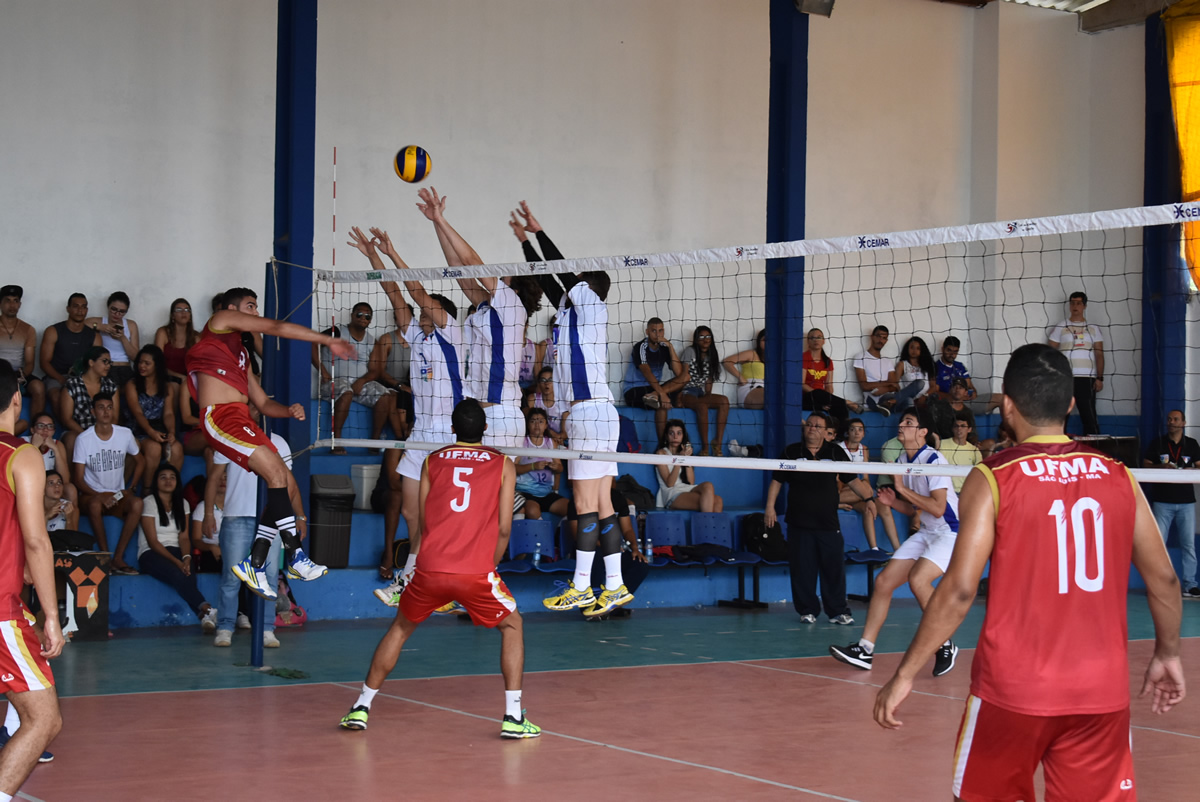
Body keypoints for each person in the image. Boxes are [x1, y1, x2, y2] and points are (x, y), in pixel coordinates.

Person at [873, 343, 1185, 802]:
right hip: (1100, 692)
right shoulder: (1118, 475)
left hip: (1012, 691)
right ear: (1073, 404)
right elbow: (1164, 580)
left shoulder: (993, 476)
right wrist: (1167, 652)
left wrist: (905, 674)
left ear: (1008, 404)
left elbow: (959, 591)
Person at [338, 399, 539, 739]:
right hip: (475, 570)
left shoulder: (432, 460)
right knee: (513, 626)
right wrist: (489, 566)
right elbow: (505, 528)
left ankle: (361, 707)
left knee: (400, 629)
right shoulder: (502, 463)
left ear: (452, 428)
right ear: (486, 430)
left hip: (430, 566)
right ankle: (513, 717)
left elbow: (425, 520)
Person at [187, 287, 347, 599]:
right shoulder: (219, 321)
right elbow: (274, 328)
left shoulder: (242, 355)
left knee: (284, 480)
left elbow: (261, 401)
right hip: (219, 417)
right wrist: (325, 340)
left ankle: (255, 563)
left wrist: (287, 411)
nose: (255, 312)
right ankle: (296, 557)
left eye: (257, 306)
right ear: (232, 308)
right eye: (250, 306)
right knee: (276, 474)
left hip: (243, 418)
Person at [513, 202, 630, 618]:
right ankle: (614, 585)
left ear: (586, 285)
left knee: (584, 504)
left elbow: (560, 271)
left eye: (577, 280)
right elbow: (547, 279)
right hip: (596, 413)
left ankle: (582, 585)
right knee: (603, 505)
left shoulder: (592, 303)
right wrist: (526, 243)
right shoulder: (569, 313)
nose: (570, 284)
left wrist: (542, 233)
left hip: (590, 413)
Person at [350, 219, 464, 604]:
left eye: (428, 308)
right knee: (414, 516)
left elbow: (413, 291)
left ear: (441, 313)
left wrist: (393, 250)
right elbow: (397, 295)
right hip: (419, 434)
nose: (420, 311)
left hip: (447, 437)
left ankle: (413, 583)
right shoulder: (418, 335)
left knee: (437, 519)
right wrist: (372, 255)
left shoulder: (451, 333)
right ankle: (418, 581)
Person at [830, 408, 961, 676]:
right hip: (927, 530)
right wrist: (895, 503)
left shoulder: (934, 461)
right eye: (902, 421)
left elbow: (937, 508)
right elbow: (916, 511)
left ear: (923, 432)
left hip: (950, 532)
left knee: (918, 580)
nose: (901, 425)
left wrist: (901, 489)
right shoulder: (903, 458)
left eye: (909, 422)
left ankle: (945, 643)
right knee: (883, 582)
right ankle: (865, 650)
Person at [421, 189, 543, 453]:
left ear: (516, 289)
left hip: (502, 414)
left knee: (499, 490)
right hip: (481, 412)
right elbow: (462, 272)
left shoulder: (512, 304)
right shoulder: (489, 307)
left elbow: (473, 262)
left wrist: (443, 220)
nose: (500, 277)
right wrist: (435, 222)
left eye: (506, 276)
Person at [0, 361, 64, 798]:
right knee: (44, 718)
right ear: (17, 400)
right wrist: (53, 614)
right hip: (0, 609)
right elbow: (38, 541)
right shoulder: (20, 454)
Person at [203, 403, 303, 648]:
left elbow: (289, 482)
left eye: (256, 407)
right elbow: (214, 477)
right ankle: (225, 626)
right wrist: (208, 513)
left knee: (269, 577)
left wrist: (299, 516)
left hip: (270, 518)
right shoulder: (228, 436)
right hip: (236, 516)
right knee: (231, 576)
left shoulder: (278, 443)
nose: (252, 411)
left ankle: (267, 629)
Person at [765, 411, 873, 624]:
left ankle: (837, 611)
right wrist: (770, 507)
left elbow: (852, 480)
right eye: (810, 425)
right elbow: (777, 481)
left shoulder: (835, 452)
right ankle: (807, 610)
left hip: (828, 524)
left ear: (826, 432)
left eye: (817, 426)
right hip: (798, 523)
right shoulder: (791, 451)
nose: (812, 428)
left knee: (833, 569)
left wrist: (870, 499)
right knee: (802, 570)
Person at [138, 464, 217, 633]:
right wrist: (177, 562)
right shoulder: (149, 502)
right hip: (150, 554)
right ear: (156, 481)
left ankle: (205, 616)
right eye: (163, 477)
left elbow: (183, 537)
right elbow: (153, 542)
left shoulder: (183, 503)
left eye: (172, 477)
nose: (168, 481)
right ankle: (208, 609)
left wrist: (186, 557)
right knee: (177, 573)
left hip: (176, 550)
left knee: (189, 574)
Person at [71, 392, 142, 574]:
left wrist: (131, 488)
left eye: (109, 407)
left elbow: (141, 460)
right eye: (101, 408)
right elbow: (78, 479)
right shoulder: (84, 439)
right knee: (95, 505)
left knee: (137, 503)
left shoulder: (124, 434)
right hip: (91, 495)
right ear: (93, 411)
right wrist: (99, 495)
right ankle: (105, 556)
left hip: (117, 494)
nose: (106, 412)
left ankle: (118, 557)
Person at [313, 301, 396, 451]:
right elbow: (312, 342)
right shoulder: (337, 331)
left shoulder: (372, 341)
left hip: (359, 383)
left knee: (385, 395)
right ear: (352, 315)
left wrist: (362, 381)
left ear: (370, 320)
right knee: (346, 391)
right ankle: (336, 441)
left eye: (367, 316)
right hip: (334, 382)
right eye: (359, 314)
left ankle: (374, 442)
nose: (363, 318)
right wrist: (323, 371)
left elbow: (375, 370)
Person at [1143, 409, 1200, 598]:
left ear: (1183, 423)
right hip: (1162, 502)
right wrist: (1162, 467)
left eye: (1176, 419)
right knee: (1158, 545)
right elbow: (1145, 465)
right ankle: (1156, 584)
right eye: (1169, 419)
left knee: (1188, 545)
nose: (1171, 422)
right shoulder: (1158, 442)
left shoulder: (1191, 444)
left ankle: (1190, 585)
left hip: (1186, 502)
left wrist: (1191, 468)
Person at [1048, 290, 1104, 435]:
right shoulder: (1061, 326)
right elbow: (1049, 352)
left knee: (1089, 416)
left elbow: (1099, 353)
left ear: (1084, 306)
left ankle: (1094, 450)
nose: (1075, 306)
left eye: (1078, 303)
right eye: (1072, 303)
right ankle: (1058, 451)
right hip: (1065, 378)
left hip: (1087, 378)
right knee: (1061, 416)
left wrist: (1099, 378)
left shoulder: (1093, 328)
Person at [622, 317, 687, 439]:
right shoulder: (640, 347)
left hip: (654, 390)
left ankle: (654, 395)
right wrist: (662, 393)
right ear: (647, 332)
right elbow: (647, 372)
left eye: (661, 331)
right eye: (654, 331)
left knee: (685, 377)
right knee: (662, 403)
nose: (658, 334)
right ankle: (663, 446)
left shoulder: (664, 348)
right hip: (634, 390)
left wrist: (671, 347)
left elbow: (679, 373)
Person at [839, 418, 898, 552]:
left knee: (880, 507)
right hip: (844, 491)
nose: (856, 433)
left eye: (860, 430)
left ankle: (894, 549)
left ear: (864, 433)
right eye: (853, 429)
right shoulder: (839, 448)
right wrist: (862, 489)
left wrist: (864, 489)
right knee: (868, 494)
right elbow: (838, 481)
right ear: (847, 432)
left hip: (859, 493)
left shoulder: (864, 449)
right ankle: (874, 549)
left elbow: (865, 477)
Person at [40, 292, 100, 416]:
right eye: (76, 306)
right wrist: (61, 379)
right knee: (57, 396)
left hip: (82, 378)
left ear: (87, 310)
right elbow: (44, 363)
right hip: (56, 377)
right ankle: (65, 430)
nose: (80, 310)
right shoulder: (53, 331)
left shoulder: (94, 336)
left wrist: (85, 381)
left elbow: (98, 364)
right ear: (68, 309)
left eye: (83, 307)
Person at [123, 345, 181, 472]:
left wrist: (171, 432)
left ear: (157, 366)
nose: (141, 366)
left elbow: (168, 414)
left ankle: (170, 488)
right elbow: (138, 413)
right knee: (154, 448)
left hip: (159, 429)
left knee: (176, 448)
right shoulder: (132, 385)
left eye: (147, 363)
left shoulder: (167, 387)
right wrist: (151, 432)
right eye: (140, 362)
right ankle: (147, 489)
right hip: (137, 429)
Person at [676, 325, 730, 457]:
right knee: (701, 406)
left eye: (708, 337)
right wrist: (677, 397)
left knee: (724, 401)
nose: (705, 340)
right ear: (696, 339)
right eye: (701, 337)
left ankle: (717, 443)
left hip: (700, 392)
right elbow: (682, 376)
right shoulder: (690, 351)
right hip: (687, 391)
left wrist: (708, 395)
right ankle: (705, 448)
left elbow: (709, 380)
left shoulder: (712, 355)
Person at [59, 346, 119, 459]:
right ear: (91, 362)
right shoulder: (72, 385)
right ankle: (73, 477)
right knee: (72, 440)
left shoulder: (111, 386)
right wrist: (87, 436)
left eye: (110, 362)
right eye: (105, 361)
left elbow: (114, 417)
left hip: (105, 432)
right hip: (78, 431)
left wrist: (102, 436)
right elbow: (67, 419)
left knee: (132, 443)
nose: (108, 366)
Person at [654, 419, 724, 512]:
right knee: (714, 502)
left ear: (683, 436)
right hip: (672, 493)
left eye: (679, 433)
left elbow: (691, 482)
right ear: (666, 436)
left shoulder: (683, 452)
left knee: (711, 490)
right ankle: (706, 525)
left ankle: (708, 525)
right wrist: (679, 459)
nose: (675, 437)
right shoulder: (661, 453)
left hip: (685, 488)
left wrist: (687, 459)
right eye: (671, 433)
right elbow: (669, 483)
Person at [0, 286, 44, 423]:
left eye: (15, 301)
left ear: (20, 304)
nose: (12, 305)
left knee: (39, 387)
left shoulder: (28, 329)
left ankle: (37, 428)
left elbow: (30, 362)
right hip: (1, 372)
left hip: (19, 373)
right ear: (0, 303)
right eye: (7, 300)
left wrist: (22, 376)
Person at [515, 408, 567, 520]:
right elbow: (513, 468)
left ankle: (557, 533)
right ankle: (542, 534)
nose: (537, 425)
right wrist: (533, 466)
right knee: (532, 511)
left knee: (571, 508)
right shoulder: (522, 442)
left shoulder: (550, 442)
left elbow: (560, 468)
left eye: (540, 421)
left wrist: (556, 467)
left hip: (547, 493)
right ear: (528, 425)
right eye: (533, 421)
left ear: (546, 425)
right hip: (526, 493)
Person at [801, 328, 858, 423]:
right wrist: (819, 395)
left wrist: (828, 399)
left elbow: (829, 385)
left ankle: (842, 433)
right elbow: (802, 384)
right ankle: (847, 402)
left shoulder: (828, 361)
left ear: (824, 341)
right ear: (808, 341)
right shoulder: (803, 357)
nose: (816, 340)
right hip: (806, 398)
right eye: (812, 338)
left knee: (839, 408)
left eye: (819, 337)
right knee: (819, 392)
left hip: (822, 399)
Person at [87, 291, 140, 388]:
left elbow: (135, 357)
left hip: (125, 367)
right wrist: (100, 327)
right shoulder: (101, 321)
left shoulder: (131, 325)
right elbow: (83, 323)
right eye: (114, 309)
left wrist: (122, 338)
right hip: (107, 366)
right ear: (108, 307)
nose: (117, 314)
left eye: (121, 311)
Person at [23, 414, 75, 508]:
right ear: (32, 430)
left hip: (51, 486)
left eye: (50, 426)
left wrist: (55, 450)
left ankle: (70, 520)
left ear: (54, 431)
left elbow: (65, 480)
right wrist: (34, 447)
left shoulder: (57, 445)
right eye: (41, 426)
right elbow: (22, 474)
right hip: (32, 485)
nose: (45, 430)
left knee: (70, 489)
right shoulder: (23, 443)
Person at [853, 325, 900, 417]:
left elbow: (895, 386)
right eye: (878, 336)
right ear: (872, 337)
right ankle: (882, 406)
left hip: (890, 398)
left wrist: (885, 389)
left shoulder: (887, 361)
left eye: (884, 338)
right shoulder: (860, 357)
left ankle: (887, 405)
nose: (881, 340)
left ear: (886, 341)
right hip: (872, 398)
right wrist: (888, 384)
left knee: (913, 392)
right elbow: (864, 386)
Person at [153, 298, 199, 383]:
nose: (183, 312)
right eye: (179, 310)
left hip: (188, 379)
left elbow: (199, 364)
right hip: (166, 377)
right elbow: (158, 363)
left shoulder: (196, 337)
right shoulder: (163, 333)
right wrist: (180, 377)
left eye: (187, 310)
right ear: (172, 316)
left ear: (190, 316)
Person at [722, 329, 766, 409]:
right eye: (765, 340)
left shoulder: (775, 360)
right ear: (759, 341)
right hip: (750, 388)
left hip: (765, 389)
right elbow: (727, 361)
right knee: (771, 397)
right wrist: (740, 377)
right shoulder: (752, 354)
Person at [893, 335, 938, 414]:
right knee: (911, 399)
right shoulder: (902, 364)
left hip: (926, 398)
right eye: (912, 347)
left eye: (918, 348)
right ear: (907, 349)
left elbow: (933, 387)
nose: (914, 350)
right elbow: (894, 384)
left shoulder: (928, 365)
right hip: (910, 398)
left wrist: (925, 396)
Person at [940, 411, 981, 494]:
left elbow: (978, 474)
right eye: (956, 426)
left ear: (969, 429)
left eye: (963, 426)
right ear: (952, 429)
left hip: (965, 492)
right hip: (945, 491)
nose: (959, 429)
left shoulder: (974, 450)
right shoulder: (941, 444)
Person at [933, 336, 978, 401]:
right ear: (942, 349)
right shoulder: (936, 367)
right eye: (949, 350)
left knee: (997, 398)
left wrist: (974, 393)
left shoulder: (960, 366)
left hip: (967, 401)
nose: (952, 354)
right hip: (948, 404)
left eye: (955, 351)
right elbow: (935, 393)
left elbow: (970, 386)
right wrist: (955, 398)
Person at [531, 367, 567, 446]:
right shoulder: (532, 399)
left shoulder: (563, 402)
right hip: (538, 440)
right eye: (543, 380)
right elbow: (530, 426)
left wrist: (555, 437)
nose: (546, 383)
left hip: (558, 442)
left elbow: (564, 434)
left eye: (550, 380)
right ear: (539, 383)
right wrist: (550, 433)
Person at [43, 470, 78, 534]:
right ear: (43, 488)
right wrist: (46, 517)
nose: (57, 486)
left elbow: (72, 540)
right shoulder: (35, 509)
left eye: (59, 482)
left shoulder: (71, 508)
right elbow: (34, 537)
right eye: (51, 483)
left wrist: (69, 520)